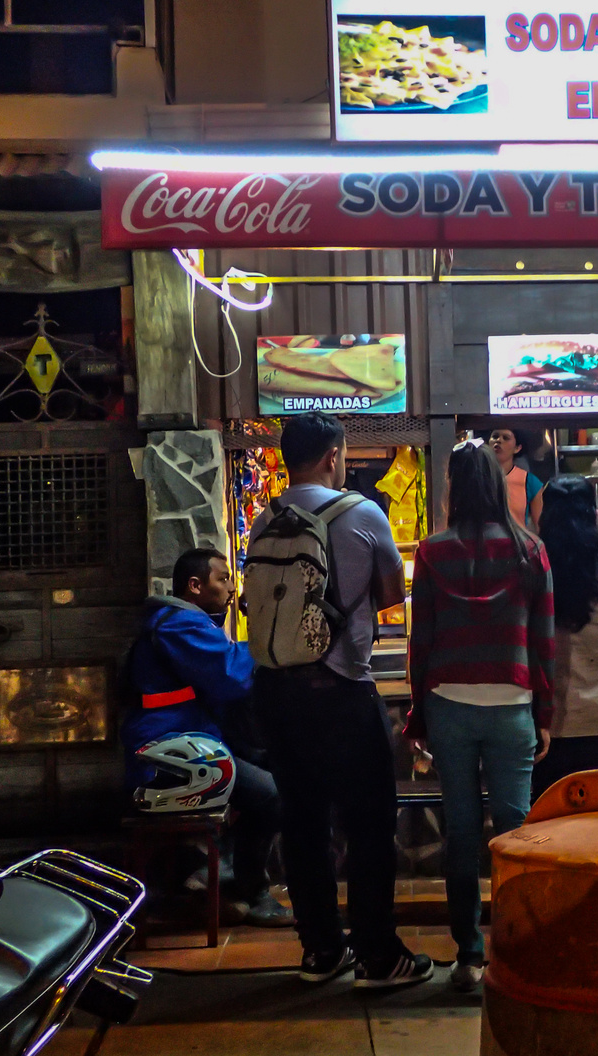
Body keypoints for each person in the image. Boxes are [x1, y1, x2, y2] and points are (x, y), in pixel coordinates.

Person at [249, 412, 431, 989]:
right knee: (369, 825)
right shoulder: (363, 512)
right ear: (333, 456)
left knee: (302, 824)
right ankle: (378, 956)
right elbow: (387, 594)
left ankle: (321, 952)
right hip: (342, 691)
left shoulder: (262, 520)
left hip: (276, 693)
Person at [407, 441, 556, 994]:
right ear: (497, 488)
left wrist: (418, 718)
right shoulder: (530, 550)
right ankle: (515, 948)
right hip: (512, 705)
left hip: (448, 704)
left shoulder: (431, 551)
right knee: (516, 834)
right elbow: (543, 642)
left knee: (462, 834)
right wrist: (545, 712)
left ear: (453, 488)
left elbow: (421, 641)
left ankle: (468, 956)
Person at [121, 548, 292, 927]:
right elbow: (230, 673)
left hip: (189, 743)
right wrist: (269, 638)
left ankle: (226, 872)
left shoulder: (185, 621)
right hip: (165, 757)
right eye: (223, 578)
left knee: (266, 761)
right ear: (195, 586)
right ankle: (250, 889)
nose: (231, 588)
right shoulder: (177, 625)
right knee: (271, 795)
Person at [532, 475, 598, 799]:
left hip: (546, 720)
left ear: (545, 516)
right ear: (593, 514)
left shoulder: (532, 569)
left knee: (552, 817)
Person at [489, 426, 545, 529]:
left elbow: (540, 527)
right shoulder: (477, 477)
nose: (499, 440)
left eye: (506, 438)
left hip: (517, 542)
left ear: (517, 448)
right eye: (495, 436)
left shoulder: (530, 481)